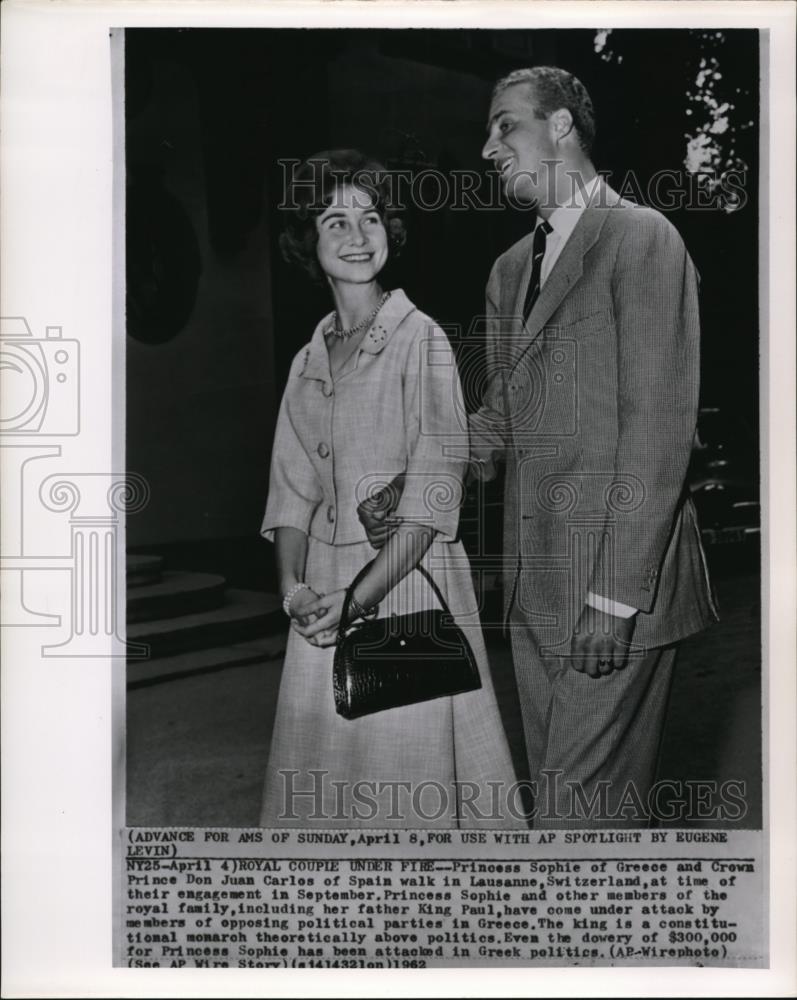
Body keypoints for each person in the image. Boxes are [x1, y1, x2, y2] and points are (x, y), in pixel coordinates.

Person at [360, 69, 719, 828]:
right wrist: (418, 480)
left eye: (504, 126)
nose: (487, 147)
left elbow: (659, 433)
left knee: (576, 820)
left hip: (613, 588)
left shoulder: (641, 239)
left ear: (560, 126)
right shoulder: (508, 269)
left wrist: (614, 597)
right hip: (534, 589)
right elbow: (502, 420)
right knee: (574, 814)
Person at [260, 150, 524, 828]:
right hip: (321, 592)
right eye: (335, 221)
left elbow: (434, 498)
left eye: (370, 217)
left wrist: (355, 600)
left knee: (406, 785)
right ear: (308, 245)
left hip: (405, 579)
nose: (357, 234)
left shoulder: (420, 339)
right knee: (328, 782)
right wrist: (293, 589)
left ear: (390, 231)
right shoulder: (307, 356)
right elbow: (290, 488)